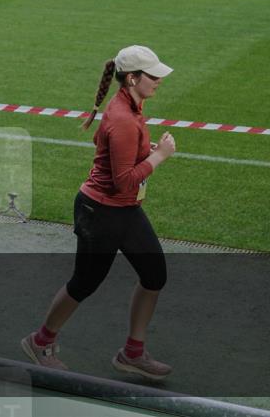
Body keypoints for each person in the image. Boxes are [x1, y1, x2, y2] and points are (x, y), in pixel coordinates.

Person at [21, 45, 177, 380]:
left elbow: (99, 142)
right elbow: (123, 182)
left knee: (155, 275)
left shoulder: (128, 105)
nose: (159, 80)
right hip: (101, 213)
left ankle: (132, 353)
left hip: (125, 210)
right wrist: (159, 156)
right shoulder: (123, 118)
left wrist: (139, 150)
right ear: (132, 78)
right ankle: (40, 342)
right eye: (153, 75)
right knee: (84, 283)